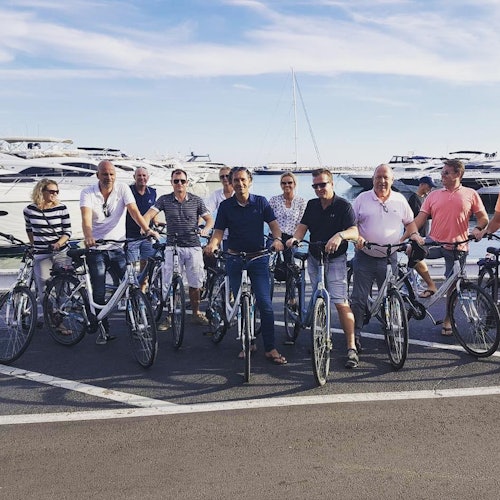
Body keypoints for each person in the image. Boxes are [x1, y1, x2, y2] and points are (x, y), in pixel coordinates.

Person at [203, 166, 287, 365]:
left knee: (265, 305)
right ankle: (248, 343)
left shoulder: (261, 202)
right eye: (235, 180)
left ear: (249, 181)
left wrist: (277, 240)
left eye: (243, 180)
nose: (239, 184)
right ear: (231, 183)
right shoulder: (225, 206)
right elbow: (218, 232)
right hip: (234, 259)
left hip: (258, 258)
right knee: (241, 303)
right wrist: (212, 245)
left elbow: (274, 225)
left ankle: (270, 348)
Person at [402, 159, 488, 336]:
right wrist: (411, 235)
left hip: (458, 246)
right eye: (442, 172)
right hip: (434, 242)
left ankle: (448, 319)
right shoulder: (433, 196)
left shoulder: (470, 194)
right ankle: (427, 286)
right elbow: (419, 219)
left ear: (458, 174)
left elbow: (483, 217)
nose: (442, 176)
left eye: (446, 173)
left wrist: (479, 229)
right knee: (411, 252)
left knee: (452, 286)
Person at [286, 168, 359, 368]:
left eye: (322, 184)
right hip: (314, 256)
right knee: (319, 297)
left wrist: (340, 236)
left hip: (335, 260)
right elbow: (303, 227)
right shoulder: (312, 205)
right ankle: (321, 335)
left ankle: (351, 347)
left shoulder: (344, 206)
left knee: (340, 302)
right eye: (315, 185)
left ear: (332, 184)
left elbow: (354, 230)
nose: (319, 188)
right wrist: (296, 238)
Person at [80, 160, 158, 343]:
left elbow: (134, 212)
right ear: (98, 175)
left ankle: (136, 322)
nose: (109, 177)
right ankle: (103, 329)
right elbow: (86, 218)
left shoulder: (122, 189)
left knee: (130, 286)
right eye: (105, 174)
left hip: (117, 247)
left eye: (112, 174)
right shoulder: (87, 193)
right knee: (99, 292)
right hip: (97, 248)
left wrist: (147, 230)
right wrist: (88, 236)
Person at [351, 164, 420, 351]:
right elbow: (352, 224)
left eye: (385, 177)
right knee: (358, 299)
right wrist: (358, 238)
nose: (382, 181)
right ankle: (355, 335)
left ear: (392, 180)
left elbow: (410, 223)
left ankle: (389, 330)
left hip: (391, 257)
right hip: (365, 256)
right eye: (378, 177)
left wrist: (414, 236)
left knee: (390, 297)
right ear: (373, 179)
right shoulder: (361, 199)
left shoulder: (399, 200)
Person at [143, 168, 214, 328]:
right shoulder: (164, 200)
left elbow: (209, 220)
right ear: (172, 183)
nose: (179, 184)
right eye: (176, 181)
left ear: (187, 183)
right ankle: (170, 315)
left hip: (193, 246)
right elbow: (148, 215)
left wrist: (206, 229)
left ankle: (196, 313)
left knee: (196, 282)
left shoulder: (196, 200)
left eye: (182, 181)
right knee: (169, 282)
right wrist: (147, 227)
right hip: (172, 247)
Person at [24, 178, 72, 323]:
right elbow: (29, 230)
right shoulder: (29, 210)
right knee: (44, 290)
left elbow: (68, 232)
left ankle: (60, 320)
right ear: (41, 191)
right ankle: (53, 318)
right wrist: (34, 246)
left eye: (56, 192)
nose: (54, 194)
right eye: (51, 191)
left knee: (61, 288)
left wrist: (58, 243)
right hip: (42, 254)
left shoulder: (62, 208)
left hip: (61, 252)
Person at [125, 167, 158, 291]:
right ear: (134, 177)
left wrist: (155, 221)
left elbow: (153, 209)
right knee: (132, 266)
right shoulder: (128, 191)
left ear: (148, 177)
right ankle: (131, 291)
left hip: (147, 236)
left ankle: (142, 290)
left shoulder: (153, 192)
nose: (142, 178)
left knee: (146, 264)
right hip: (131, 235)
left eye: (144, 175)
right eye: (139, 175)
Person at [407, 175, 437, 296]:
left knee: (416, 258)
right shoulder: (414, 199)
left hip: (423, 233)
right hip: (416, 233)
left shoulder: (424, 198)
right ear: (422, 184)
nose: (430, 189)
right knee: (415, 258)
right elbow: (415, 217)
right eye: (429, 186)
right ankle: (409, 284)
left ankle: (413, 282)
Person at [269, 172, 306, 269]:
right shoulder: (274, 200)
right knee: (269, 265)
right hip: (275, 237)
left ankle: (293, 282)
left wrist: (295, 239)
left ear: (294, 184)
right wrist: (277, 238)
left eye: (289, 182)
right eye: (283, 183)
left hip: (291, 237)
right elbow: (270, 220)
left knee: (292, 267)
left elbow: (301, 223)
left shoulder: (301, 202)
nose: (287, 185)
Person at [204, 166, 234, 250]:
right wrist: (198, 223)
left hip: (236, 234)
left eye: (227, 176)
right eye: (222, 176)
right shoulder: (216, 194)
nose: (225, 178)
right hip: (220, 233)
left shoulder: (238, 194)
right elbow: (207, 210)